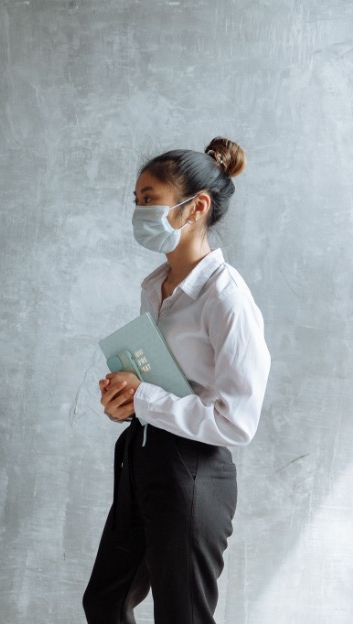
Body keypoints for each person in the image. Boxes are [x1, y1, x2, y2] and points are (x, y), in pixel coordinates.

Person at [83, 137, 271, 623]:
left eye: (150, 199)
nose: (139, 212)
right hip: (142, 459)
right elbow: (161, 382)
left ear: (196, 207)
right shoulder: (156, 286)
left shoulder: (226, 298)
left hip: (193, 472)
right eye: (136, 200)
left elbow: (237, 422)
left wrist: (144, 398)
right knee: (104, 602)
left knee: (181, 616)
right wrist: (125, 400)